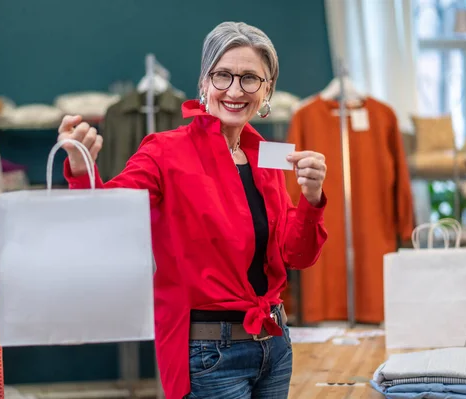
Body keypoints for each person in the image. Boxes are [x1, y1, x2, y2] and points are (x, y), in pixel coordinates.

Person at [58, 21, 328, 399]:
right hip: (209, 355)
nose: (235, 90)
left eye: (250, 78)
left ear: (267, 90)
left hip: (275, 346)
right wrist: (83, 167)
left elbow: (296, 256)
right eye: (223, 76)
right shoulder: (164, 152)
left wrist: (312, 199)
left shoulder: (266, 156)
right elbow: (105, 220)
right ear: (203, 84)